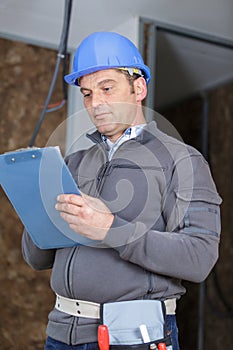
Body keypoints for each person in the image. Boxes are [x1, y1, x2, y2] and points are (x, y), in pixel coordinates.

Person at [22, 32, 222, 350]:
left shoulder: (182, 160)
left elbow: (199, 258)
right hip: (61, 334)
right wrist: (35, 208)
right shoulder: (72, 162)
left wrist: (110, 229)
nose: (95, 103)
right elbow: (37, 258)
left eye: (106, 88)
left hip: (132, 338)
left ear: (138, 87)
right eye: (87, 94)